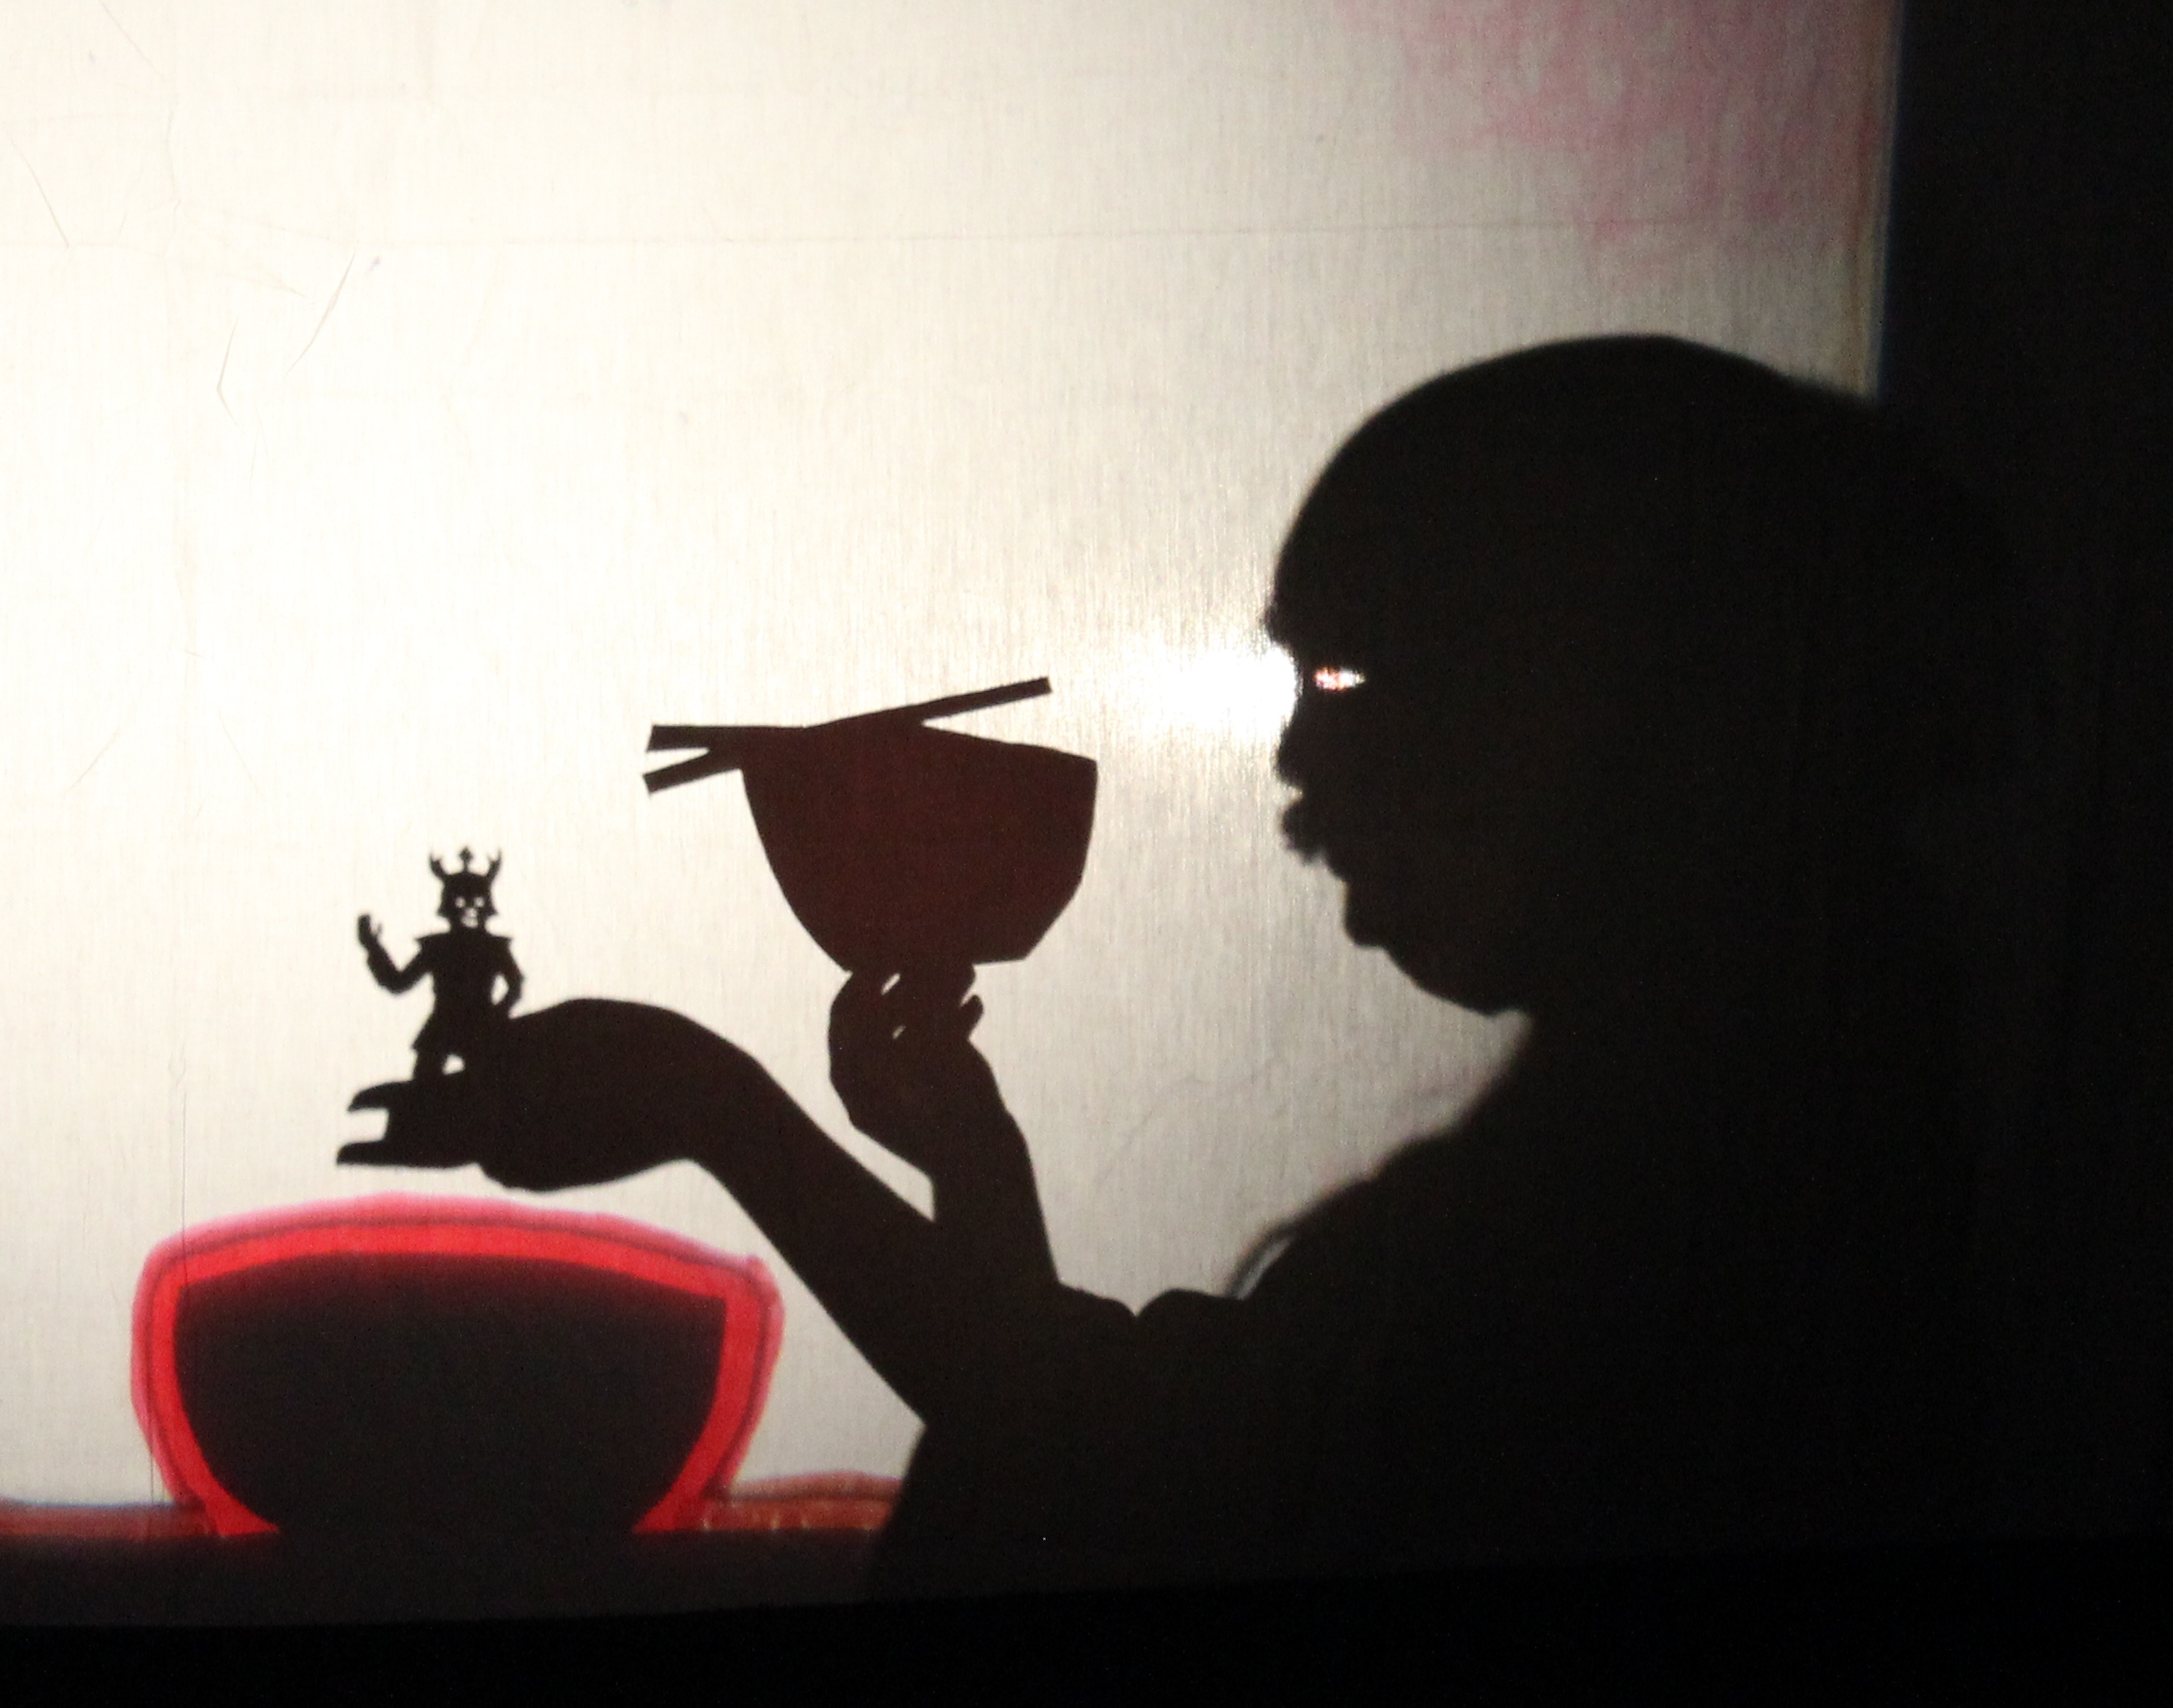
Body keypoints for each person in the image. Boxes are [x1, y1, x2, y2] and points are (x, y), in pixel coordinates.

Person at [389, 337, 2006, 1586]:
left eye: (1346, 675)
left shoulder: (1635, 1232)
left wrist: (715, 1104)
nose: (1295, 757)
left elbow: (1113, 1465)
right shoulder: (1791, 1127)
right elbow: (1104, 1432)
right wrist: (971, 1170)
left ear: (1599, 687)